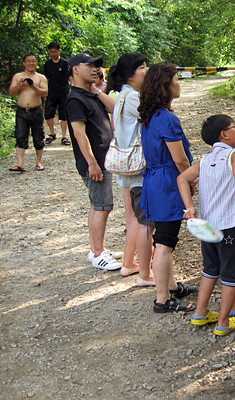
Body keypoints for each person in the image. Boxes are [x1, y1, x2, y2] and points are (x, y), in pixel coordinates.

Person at [178, 114, 235, 335]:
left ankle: (200, 313)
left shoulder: (205, 160)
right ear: (225, 134)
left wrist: (190, 206)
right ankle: (222, 322)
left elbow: (181, 178)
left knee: (210, 270)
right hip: (230, 226)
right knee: (230, 276)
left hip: (207, 226)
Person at [139, 62, 197, 312]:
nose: (179, 84)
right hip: (167, 183)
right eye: (176, 79)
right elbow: (180, 158)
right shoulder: (167, 119)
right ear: (166, 86)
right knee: (165, 241)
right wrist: (189, 179)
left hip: (154, 181)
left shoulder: (150, 115)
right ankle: (162, 298)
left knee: (163, 237)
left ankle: (170, 285)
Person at [66, 53, 122, 270]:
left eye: (96, 66)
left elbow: (113, 108)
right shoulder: (74, 99)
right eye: (88, 65)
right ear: (75, 70)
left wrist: (96, 90)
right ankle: (98, 253)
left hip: (102, 159)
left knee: (98, 204)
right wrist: (91, 162)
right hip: (95, 161)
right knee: (102, 205)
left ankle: (96, 248)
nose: (95, 69)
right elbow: (79, 134)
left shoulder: (89, 94)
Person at [105, 52, 155, 285]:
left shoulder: (124, 95)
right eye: (142, 67)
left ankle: (129, 263)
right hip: (139, 170)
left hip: (130, 169)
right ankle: (145, 273)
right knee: (147, 222)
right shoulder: (133, 97)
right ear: (130, 75)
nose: (146, 71)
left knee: (136, 218)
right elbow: (155, 118)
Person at [8, 53, 48, 172]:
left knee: (38, 136)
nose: (31, 63)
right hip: (22, 110)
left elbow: (45, 93)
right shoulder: (18, 76)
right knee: (20, 135)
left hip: (36, 110)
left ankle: (39, 162)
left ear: (36, 63)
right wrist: (20, 85)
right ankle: (20, 163)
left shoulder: (41, 77)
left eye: (33, 61)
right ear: (24, 63)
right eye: (28, 61)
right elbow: (11, 92)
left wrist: (33, 86)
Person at [44, 42, 70, 146]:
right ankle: (52, 133)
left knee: (63, 115)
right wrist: (45, 91)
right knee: (48, 114)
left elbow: (69, 77)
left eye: (55, 51)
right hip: (51, 92)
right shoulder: (47, 64)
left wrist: (71, 89)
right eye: (51, 52)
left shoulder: (65, 63)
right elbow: (46, 78)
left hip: (63, 92)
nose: (53, 54)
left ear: (59, 51)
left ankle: (64, 136)